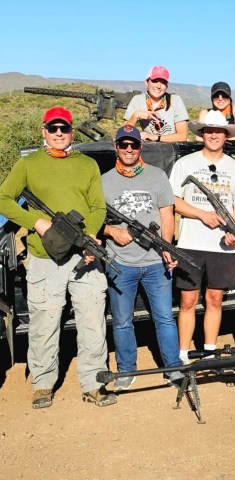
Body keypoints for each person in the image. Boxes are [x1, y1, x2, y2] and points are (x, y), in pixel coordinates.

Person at [0, 106, 116, 408]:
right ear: (44, 131)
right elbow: (3, 198)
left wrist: (90, 236)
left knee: (93, 322)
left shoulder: (87, 165)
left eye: (64, 128)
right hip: (43, 258)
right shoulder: (29, 164)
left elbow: (98, 208)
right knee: (44, 322)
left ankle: (93, 383)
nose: (59, 134)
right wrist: (34, 222)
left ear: (72, 131)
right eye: (53, 128)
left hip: (84, 258)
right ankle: (43, 384)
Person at [101, 125, 185, 390]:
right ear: (116, 147)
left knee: (164, 318)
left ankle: (173, 368)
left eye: (133, 145)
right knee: (123, 321)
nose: (128, 150)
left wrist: (167, 248)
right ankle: (126, 370)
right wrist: (112, 231)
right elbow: (94, 220)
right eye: (123, 145)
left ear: (140, 148)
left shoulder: (156, 176)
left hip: (154, 262)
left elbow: (167, 214)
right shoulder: (104, 181)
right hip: (119, 263)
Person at [169, 110, 235, 363]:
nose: (214, 135)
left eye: (218, 131)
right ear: (202, 134)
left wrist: (233, 229)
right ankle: (183, 353)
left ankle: (209, 350)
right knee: (188, 300)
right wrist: (201, 214)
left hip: (222, 246)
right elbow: (173, 200)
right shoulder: (185, 164)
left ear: (225, 136)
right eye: (209, 131)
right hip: (189, 243)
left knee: (215, 299)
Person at [124, 66, 188, 143]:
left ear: (166, 86)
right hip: (149, 148)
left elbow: (182, 136)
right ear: (146, 83)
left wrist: (154, 137)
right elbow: (124, 133)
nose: (158, 86)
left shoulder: (175, 100)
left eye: (163, 82)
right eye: (155, 81)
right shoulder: (137, 100)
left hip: (172, 147)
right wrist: (135, 115)